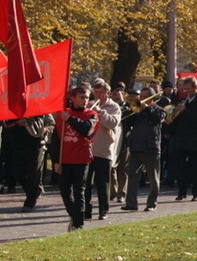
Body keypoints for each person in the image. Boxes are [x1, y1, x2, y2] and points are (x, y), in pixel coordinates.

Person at [51, 86, 99, 231]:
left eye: (87, 98)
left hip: (82, 159)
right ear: (73, 98)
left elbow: (86, 130)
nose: (85, 101)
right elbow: (56, 140)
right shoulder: (63, 114)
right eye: (81, 97)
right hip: (65, 159)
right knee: (64, 190)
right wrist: (55, 161)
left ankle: (79, 224)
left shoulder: (92, 114)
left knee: (79, 191)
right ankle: (75, 215)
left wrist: (70, 119)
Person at [122, 87, 166, 211]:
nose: (141, 99)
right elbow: (126, 122)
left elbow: (157, 120)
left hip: (151, 149)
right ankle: (131, 204)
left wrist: (147, 108)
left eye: (144, 96)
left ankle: (151, 204)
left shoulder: (159, 110)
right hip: (136, 147)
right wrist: (129, 109)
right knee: (132, 176)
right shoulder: (137, 110)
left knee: (153, 178)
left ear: (152, 98)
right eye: (140, 96)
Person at [84, 79, 122, 220]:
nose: (98, 95)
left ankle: (103, 210)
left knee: (103, 182)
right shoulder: (88, 105)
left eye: (101, 92)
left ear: (107, 93)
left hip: (104, 149)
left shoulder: (114, 107)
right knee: (86, 182)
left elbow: (113, 123)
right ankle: (86, 210)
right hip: (88, 148)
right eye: (96, 92)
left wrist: (100, 112)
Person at [167, 76, 197, 201]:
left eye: (189, 88)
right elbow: (176, 119)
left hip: (195, 140)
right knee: (180, 167)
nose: (186, 91)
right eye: (185, 89)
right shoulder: (183, 101)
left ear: (195, 88)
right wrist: (172, 117)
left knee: (195, 168)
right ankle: (182, 192)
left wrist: (185, 111)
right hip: (181, 139)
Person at [10, 114, 54, 212]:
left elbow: (51, 123)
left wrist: (43, 130)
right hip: (18, 144)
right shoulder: (15, 108)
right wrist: (17, 123)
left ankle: (30, 201)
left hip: (36, 144)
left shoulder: (39, 107)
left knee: (34, 173)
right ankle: (33, 192)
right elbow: (6, 124)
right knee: (18, 173)